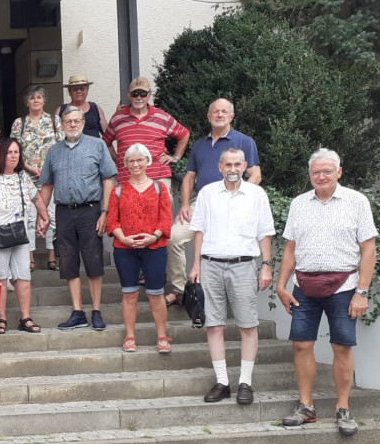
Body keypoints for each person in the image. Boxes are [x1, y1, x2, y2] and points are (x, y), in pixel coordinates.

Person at [276, 148, 377, 436]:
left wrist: (362, 292)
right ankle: (306, 407)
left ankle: (343, 408)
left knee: (342, 347)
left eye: (327, 171)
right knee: (301, 345)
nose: (321, 176)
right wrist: (282, 287)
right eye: (315, 172)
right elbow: (290, 249)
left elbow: (368, 249)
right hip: (304, 287)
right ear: (310, 175)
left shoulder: (357, 202)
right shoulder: (299, 204)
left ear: (339, 173)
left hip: (345, 287)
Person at [189, 148, 275, 406]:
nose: (233, 168)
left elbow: (265, 233)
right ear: (220, 167)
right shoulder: (207, 193)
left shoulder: (257, 194)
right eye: (228, 164)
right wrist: (196, 265)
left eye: (238, 164)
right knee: (214, 325)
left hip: (244, 265)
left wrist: (267, 265)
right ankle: (223, 382)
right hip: (211, 265)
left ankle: (245, 382)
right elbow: (199, 231)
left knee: (247, 325)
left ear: (245, 166)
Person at [166, 98, 261, 306]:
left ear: (231, 117)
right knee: (173, 237)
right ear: (209, 117)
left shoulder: (245, 142)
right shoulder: (199, 145)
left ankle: (227, 293)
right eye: (215, 112)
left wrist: (242, 198)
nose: (219, 115)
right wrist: (184, 205)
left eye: (224, 111)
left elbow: (255, 175)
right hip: (202, 202)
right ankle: (180, 289)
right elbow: (189, 177)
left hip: (233, 202)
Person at [36, 107, 119, 331]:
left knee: (93, 261)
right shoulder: (54, 151)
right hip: (63, 212)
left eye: (77, 121)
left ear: (83, 122)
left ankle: (97, 311)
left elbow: (108, 181)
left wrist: (105, 212)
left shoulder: (97, 145)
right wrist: (41, 216)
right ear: (61, 124)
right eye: (68, 121)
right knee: (68, 262)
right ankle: (78, 312)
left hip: (91, 210)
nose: (72, 125)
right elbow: (47, 185)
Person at [106, 145, 173, 353]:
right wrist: (123, 239)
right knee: (129, 294)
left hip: (155, 247)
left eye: (139, 160)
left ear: (147, 161)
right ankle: (129, 336)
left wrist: (153, 237)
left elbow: (166, 220)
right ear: (125, 164)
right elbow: (111, 221)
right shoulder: (118, 190)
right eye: (131, 161)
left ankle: (162, 336)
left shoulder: (159, 188)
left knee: (156, 293)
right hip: (125, 249)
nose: (135, 164)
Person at [0, 138, 40, 335]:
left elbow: (36, 198)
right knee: (0, 278)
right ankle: (1, 317)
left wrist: (45, 217)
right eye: (9, 152)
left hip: (20, 234)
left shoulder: (23, 177)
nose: (14, 156)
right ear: (1, 155)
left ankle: (25, 317)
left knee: (23, 275)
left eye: (16, 152)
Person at [102, 77, 189, 197]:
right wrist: (119, 161)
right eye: (135, 94)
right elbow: (106, 142)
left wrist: (176, 156)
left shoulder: (162, 117)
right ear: (128, 95)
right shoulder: (118, 118)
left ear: (149, 95)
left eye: (143, 94)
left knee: (162, 215)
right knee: (129, 215)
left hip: (158, 179)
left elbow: (184, 134)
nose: (139, 98)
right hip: (127, 179)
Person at [11, 85, 63, 272]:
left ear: (44, 100)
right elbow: (14, 151)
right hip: (27, 177)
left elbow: (61, 148)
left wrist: (49, 169)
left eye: (39, 97)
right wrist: (30, 168)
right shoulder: (19, 123)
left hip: (50, 177)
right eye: (32, 97)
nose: (35, 100)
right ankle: (30, 258)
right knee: (29, 218)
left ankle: (51, 257)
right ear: (27, 102)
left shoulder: (54, 121)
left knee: (51, 217)